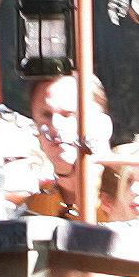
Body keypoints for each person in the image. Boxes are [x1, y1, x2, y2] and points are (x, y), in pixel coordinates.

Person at [25, 73, 113, 219]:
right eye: (46, 115)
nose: (55, 125)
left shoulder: (132, 193)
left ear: (104, 125)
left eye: (68, 115)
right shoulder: (32, 207)